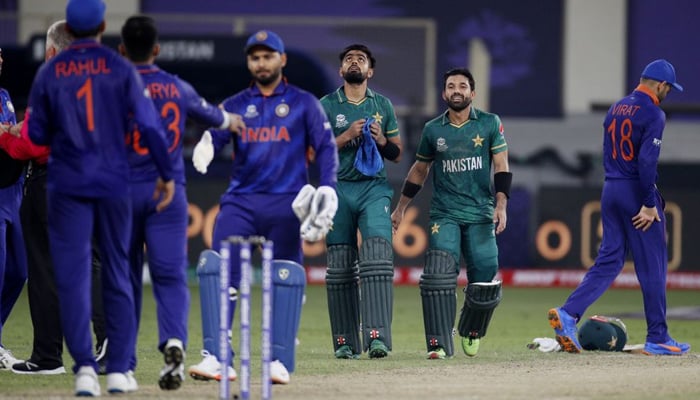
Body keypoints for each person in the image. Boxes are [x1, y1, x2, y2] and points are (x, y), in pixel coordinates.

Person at [27, 0, 175, 396]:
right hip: (114, 183)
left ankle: (85, 372)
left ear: (68, 30)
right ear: (104, 26)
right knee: (117, 271)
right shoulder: (121, 69)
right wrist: (166, 173)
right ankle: (117, 369)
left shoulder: (50, 72)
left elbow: (36, 135)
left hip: (66, 185)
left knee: (73, 278)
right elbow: (150, 125)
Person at [187, 29, 338, 384]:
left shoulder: (304, 103)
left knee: (285, 278)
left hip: (287, 203)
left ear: (282, 60)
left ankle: (278, 359)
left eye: (268, 56)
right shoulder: (237, 103)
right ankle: (216, 356)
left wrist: (329, 188)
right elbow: (216, 127)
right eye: (254, 57)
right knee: (217, 269)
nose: (261, 62)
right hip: (241, 202)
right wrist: (208, 140)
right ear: (249, 63)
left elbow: (327, 148)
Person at [118, 15, 245, 390]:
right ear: (156, 50)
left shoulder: (113, 85)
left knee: (122, 275)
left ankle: (123, 364)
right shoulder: (176, 87)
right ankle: (174, 340)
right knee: (170, 275)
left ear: (122, 50)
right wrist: (234, 120)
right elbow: (217, 117)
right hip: (168, 191)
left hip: (121, 192)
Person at [547, 59, 690, 356]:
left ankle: (569, 313)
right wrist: (649, 203)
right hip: (635, 192)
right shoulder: (654, 113)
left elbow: (606, 152)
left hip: (610, 187)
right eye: (668, 89)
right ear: (661, 85)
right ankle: (658, 336)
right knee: (652, 264)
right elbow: (647, 162)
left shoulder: (615, 108)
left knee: (609, 261)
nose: (668, 94)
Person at [0, 19, 109, 376]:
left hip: (52, 185)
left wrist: (4, 136)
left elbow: (31, 145)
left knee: (46, 271)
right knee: (90, 263)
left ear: (51, 51)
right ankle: (110, 341)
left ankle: (48, 357)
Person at [391, 67, 511, 359]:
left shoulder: (489, 123)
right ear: (444, 93)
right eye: (450, 86)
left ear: (472, 93)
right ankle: (439, 342)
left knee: (484, 277)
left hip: (481, 213)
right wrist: (401, 207)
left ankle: (471, 330)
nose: (456, 90)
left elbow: (502, 166)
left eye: (462, 86)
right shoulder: (433, 129)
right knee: (440, 275)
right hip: (444, 214)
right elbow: (420, 169)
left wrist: (501, 205)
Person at [318, 44, 402, 359]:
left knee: (378, 258)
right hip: (337, 187)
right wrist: (344, 136)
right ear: (341, 70)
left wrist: (380, 140)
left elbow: (396, 153)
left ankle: (377, 338)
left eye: (361, 59)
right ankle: (344, 342)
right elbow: (311, 150)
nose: (355, 61)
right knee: (339, 267)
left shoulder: (383, 105)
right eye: (349, 59)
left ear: (370, 71)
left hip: (373, 188)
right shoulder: (325, 105)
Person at [0, 47, 28, 371]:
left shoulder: (4, 94)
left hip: (13, 191)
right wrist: (16, 130)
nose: (2, 59)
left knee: (19, 271)